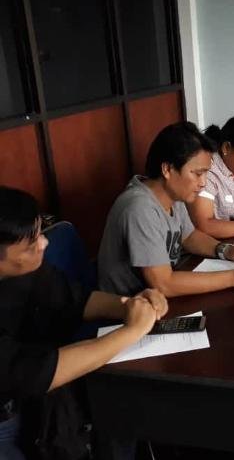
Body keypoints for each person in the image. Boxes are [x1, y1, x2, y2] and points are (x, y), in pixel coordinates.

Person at [0, 186, 168, 459]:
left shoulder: (30, 269)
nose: (44, 244)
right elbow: (39, 372)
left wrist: (130, 305)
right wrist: (132, 331)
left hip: (38, 395)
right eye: (31, 246)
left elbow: (76, 300)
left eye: (40, 233)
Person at [98, 122, 234, 298]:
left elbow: (189, 237)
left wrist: (226, 250)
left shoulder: (173, 194)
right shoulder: (140, 208)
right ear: (167, 169)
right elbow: (163, 284)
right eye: (197, 174)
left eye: (206, 173)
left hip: (159, 299)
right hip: (129, 307)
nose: (203, 182)